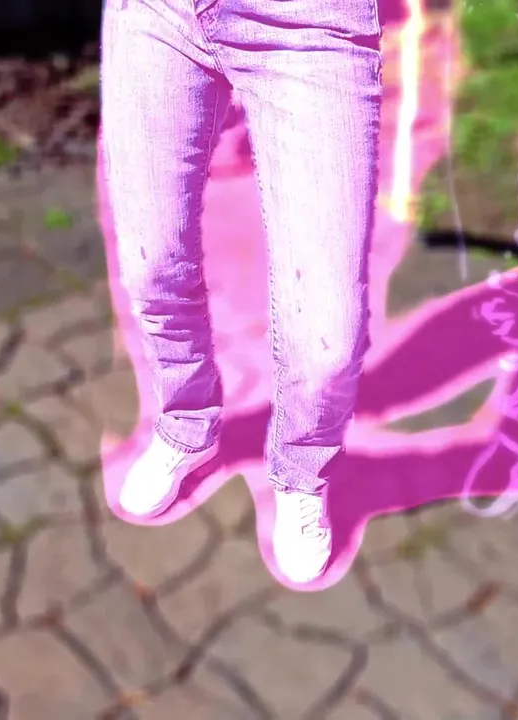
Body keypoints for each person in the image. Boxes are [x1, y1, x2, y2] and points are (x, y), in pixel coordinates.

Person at [100, 0, 383, 583]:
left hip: (309, 24)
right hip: (158, 13)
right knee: (152, 265)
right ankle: (185, 422)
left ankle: (302, 471)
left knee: (328, 340)